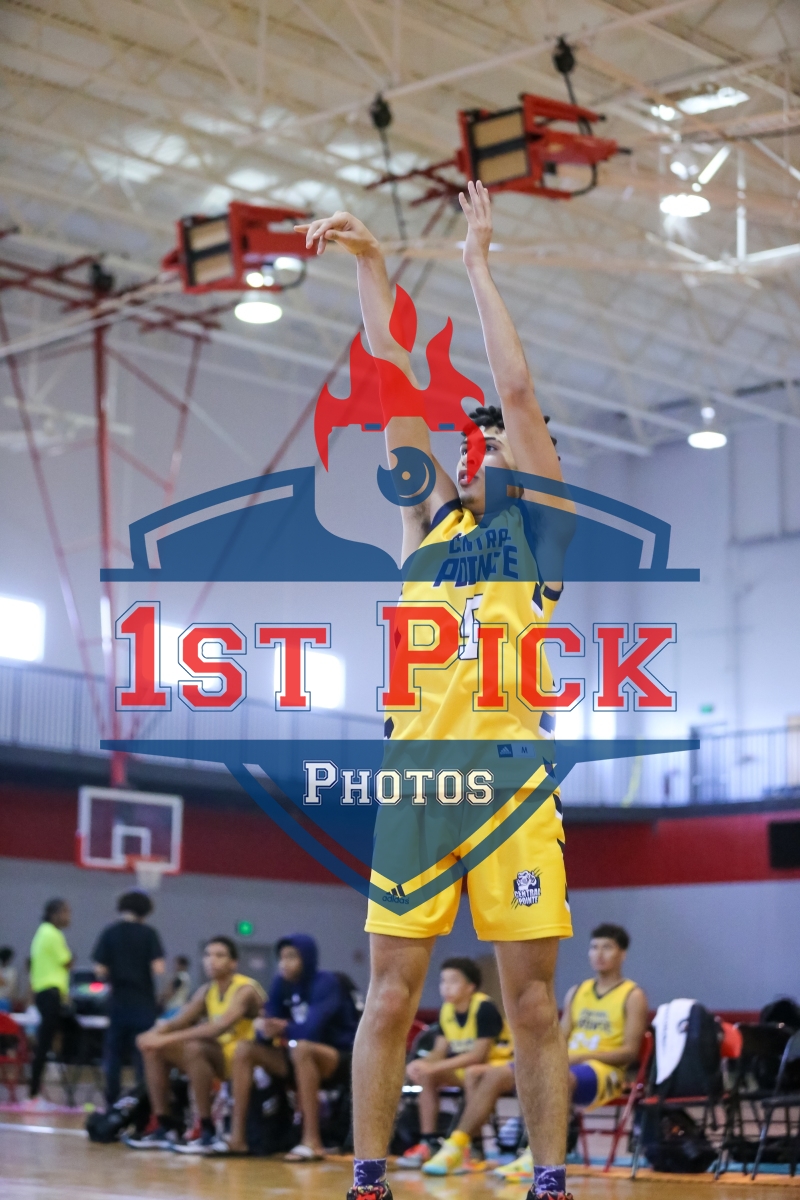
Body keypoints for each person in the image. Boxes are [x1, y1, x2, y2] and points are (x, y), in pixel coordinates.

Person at [299, 182, 575, 1200]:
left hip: (508, 782)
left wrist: (475, 265)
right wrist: (373, 267)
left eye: (500, 441)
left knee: (531, 1006)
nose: (486, 442)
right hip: (416, 780)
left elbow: (515, 389)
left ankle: (549, 1181)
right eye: (480, 440)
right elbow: (392, 384)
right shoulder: (423, 526)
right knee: (387, 996)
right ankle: (368, 1180)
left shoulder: (540, 535)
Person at [497, 923, 649, 1183]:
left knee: (559, 1078)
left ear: (622, 954)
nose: (599, 953)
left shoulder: (633, 995)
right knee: (492, 1074)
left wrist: (579, 1058)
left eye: (607, 947)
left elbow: (629, 1052)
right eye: (594, 947)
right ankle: (456, 1145)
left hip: (605, 1072)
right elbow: (560, 1037)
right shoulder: (577, 992)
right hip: (568, 1064)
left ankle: (536, 1156)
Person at [126, 936, 264, 1153]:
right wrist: (151, 1035)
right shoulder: (207, 991)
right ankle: (164, 1124)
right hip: (220, 1056)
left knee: (194, 1047)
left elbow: (218, 1028)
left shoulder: (245, 990)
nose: (211, 960)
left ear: (233, 963)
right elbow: (178, 1021)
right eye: (207, 955)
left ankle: (206, 1130)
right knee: (154, 1049)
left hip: (247, 1060)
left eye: (219, 955)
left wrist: (165, 1038)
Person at [227, 933, 359, 1160]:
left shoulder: (326, 982)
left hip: (339, 1057)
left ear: (306, 958)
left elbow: (312, 1030)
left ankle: (312, 1142)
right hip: (299, 1056)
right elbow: (266, 1030)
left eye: (291, 957)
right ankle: (237, 1139)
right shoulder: (281, 983)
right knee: (244, 1050)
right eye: (281, 958)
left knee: (302, 1048)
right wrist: (265, 1029)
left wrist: (283, 1028)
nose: (284, 963)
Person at [398, 957, 511, 1170]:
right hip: (465, 1069)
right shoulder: (447, 1010)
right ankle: (429, 1141)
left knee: (471, 1072)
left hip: (496, 1066)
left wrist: (434, 1066)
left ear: (470, 986)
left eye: (453, 981)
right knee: (427, 1075)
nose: (446, 987)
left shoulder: (484, 1007)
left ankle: (472, 1146)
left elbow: (478, 1055)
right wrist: (421, 1064)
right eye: (443, 981)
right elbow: (439, 1052)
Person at [92, 891, 166, 1105]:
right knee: (143, 1054)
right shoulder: (149, 933)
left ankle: (112, 1101)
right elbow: (158, 968)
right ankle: (142, 1101)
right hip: (143, 1002)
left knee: (114, 1054)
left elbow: (99, 970)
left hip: (118, 1001)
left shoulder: (110, 932)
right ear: (146, 911)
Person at [26, 898, 73, 1110]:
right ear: (54, 914)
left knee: (45, 1042)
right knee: (44, 1043)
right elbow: (68, 961)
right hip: (50, 993)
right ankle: (33, 1093)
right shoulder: (53, 934)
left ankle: (34, 1091)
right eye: (65, 912)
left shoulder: (41, 932)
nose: (68, 917)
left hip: (45, 993)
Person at [0, 947, 17, 1012]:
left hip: (6, 999)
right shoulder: (11, 972)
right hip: (5, 999)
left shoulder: (11, 971)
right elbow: (12, 988)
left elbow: (12, 988)